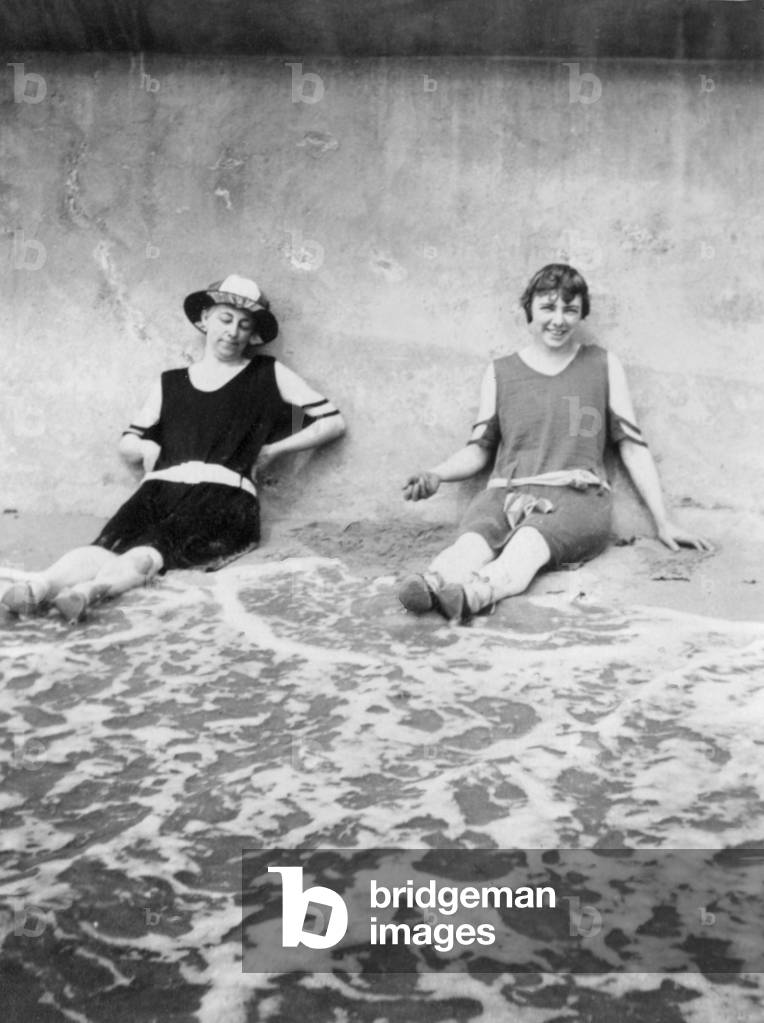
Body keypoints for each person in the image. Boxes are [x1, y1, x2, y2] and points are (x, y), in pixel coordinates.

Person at [1, 274, 345, 622]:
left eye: (244, 325)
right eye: (225, 320)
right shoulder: (171, 382)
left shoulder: (267, 372)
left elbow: (332, 421)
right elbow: (128, 442)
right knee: (105, 545)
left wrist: (274, 451)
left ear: (253, 335)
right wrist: (145, 445)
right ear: (204, 320)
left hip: (224, 496)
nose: (232, 332)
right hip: (158, 489)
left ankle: (87, 593)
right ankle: (38, 588)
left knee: (151, 550)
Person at [398, 263, 710, 622]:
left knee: (528, 543)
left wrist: (663, 521)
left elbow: (632, 445)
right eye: (548, 307)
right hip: (504, 493)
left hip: (576, 498)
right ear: (529, 309)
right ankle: (430, 586)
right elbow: (479, 448)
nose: (558, 320)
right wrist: (436, 475)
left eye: (570, 309)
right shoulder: (500, 372)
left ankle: (475, 595)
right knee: (472, 543)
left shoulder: (603, 365)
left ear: (581, 314)